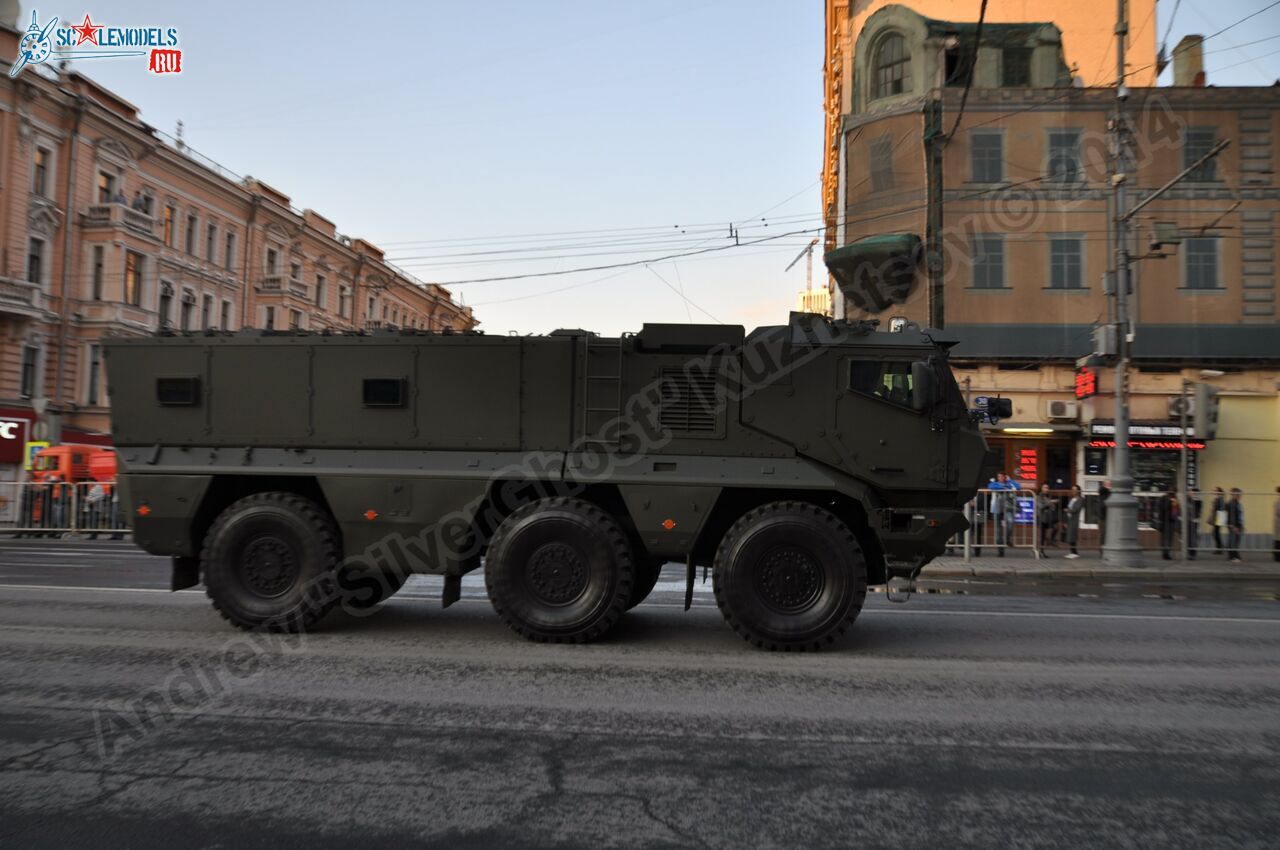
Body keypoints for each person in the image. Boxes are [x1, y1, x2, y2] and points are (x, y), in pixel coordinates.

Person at [990, 473, 1018, 556]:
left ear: (1005, 477)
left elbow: (1018, 486)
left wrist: (1009, 481)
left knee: (1010, 522)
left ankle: (1007, 539)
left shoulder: (1009, 483)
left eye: (1002, 476)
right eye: (998, 476)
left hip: (1007, 509)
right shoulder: (995, 484)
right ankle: (1000, 550)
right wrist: (1005, 487)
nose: (1000, 478)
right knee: (998, 531)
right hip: (997, 509)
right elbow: (991, 486)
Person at [1157, 485, 1179, 560]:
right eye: (1173, 491)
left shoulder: (1175, 499)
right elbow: (1161, 509)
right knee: (1165, 538)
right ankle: (1165, 553)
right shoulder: (1164, 498)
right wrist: (1170, 502)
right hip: (1165, 520)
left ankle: (1167, 552)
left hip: (1172, 520)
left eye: (1175, 492)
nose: (1174, 493)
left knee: (1170, 538)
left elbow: (1176, 510)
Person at [1037, 484, 1058, 557]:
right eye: (1045, 488)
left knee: (1055, 528)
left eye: (1048, 488)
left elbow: (1052, 507)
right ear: (1041, 488)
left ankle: (1050, 540)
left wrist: (1052, 504)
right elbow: (1041, 506)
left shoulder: (1048, 496)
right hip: (1042, 518)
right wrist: (1050, 503)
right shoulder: (1039, 496)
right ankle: (1041, 552)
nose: (1047, 489)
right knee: (1042, 535)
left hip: (1048, 517)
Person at [1064, 485, 1084, 558]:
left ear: (1078, 491)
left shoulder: (1080, 499)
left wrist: (1068, 510)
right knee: (1069, 536)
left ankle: (1075, 552)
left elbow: (1076, 509)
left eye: (1075, 490)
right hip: (1069, 519)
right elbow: (1068, 507)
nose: (1073, 491)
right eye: (1072, 489)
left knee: (1072, 535)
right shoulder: (1071, 499)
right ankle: (1072, 551)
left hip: (1074, 519)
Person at [1226, 488, 1245, 563]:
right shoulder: (1231, 503)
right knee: (1233, 541)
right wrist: (1233, 526)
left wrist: (1241, 525)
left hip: (1237, 525)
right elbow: (1230, 516)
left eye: (1240, 494)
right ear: (1233, 494)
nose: (1240, 496)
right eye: (1238, 494)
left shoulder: (1237, 503)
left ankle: (1234, 555)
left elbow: (1240, 515)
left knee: (1235, 541)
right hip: (1234, 525)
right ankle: (1233, 556)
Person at [1186, 489, 1203, 559]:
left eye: (1192, 492)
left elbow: (1198, 511)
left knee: (1193, 537)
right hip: (1188, 520)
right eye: (1190, 492)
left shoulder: (1197, 501)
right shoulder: (1188, 499)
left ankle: (1193, 553)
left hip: (1194, 521)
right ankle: (1190, 552)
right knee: (1189, 537)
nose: (1190, 493)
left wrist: (1194, 498)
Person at [1209, 486, 1227, 554]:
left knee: (1215, 533)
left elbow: (1221, 509)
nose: (1213, 491)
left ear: (1218, 492)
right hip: (1216, 517)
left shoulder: (1220, 499)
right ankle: (1220, 547)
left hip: (1219, 518)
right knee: (1215, 533)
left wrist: (1219, 520)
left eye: (1215, 490)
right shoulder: (1217, 498)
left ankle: (1220, 548)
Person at [1097, 480, 1111, 549]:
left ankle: (1104, 549)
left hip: (1106, 516)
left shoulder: (1107, 493)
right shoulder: (1105, 492)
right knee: (1103, 534)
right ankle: (1103, 549)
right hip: (1104, 517)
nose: (1110, 486)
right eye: (1109, 484)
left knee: (1105, 534)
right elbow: (1101, 490)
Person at [1273, 486, 1280, 563]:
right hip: (1278, 523)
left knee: (1278, 539)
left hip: (1277, 522)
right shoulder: (1277, 502)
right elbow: (1277, 512)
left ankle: (1277, 556)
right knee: (1278, 540)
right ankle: (1277, 556)